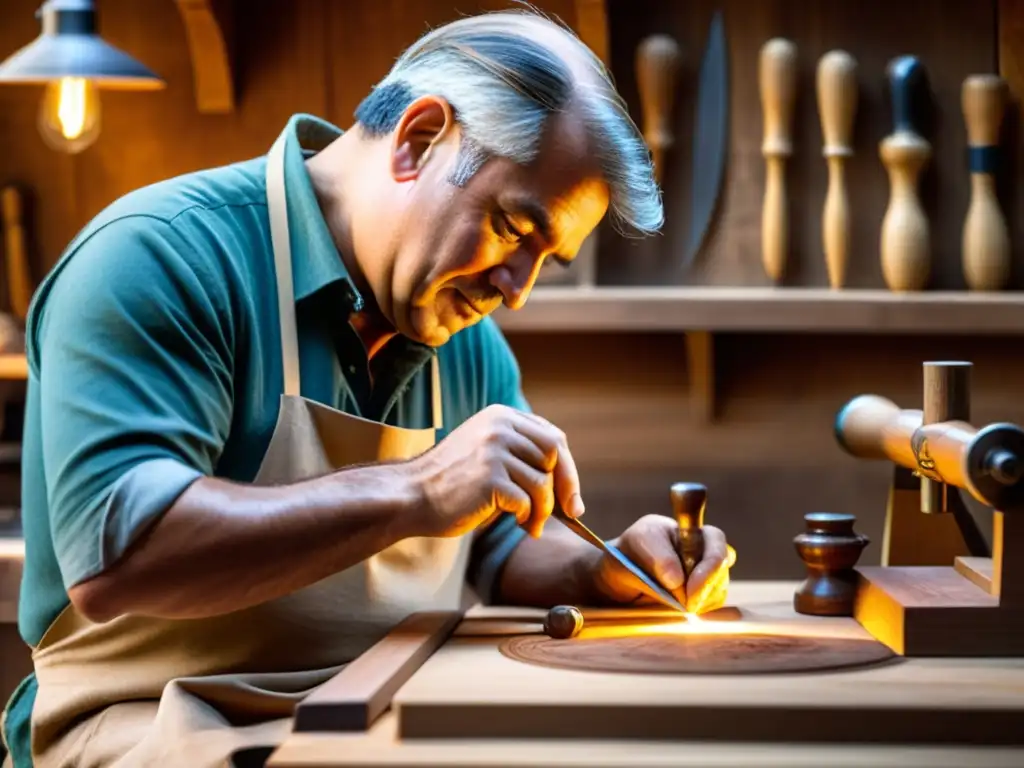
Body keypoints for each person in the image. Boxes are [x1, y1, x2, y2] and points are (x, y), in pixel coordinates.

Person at [0, 8, 734, 768]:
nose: (517, 291)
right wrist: (417, 490)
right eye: (516, 230)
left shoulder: (462, 334)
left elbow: (501, 542)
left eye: (546, 258)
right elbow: (123, 550)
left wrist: (602, 567)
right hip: (150, 728)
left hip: (387, 709)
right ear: (418, 140)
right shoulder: (159, 256)